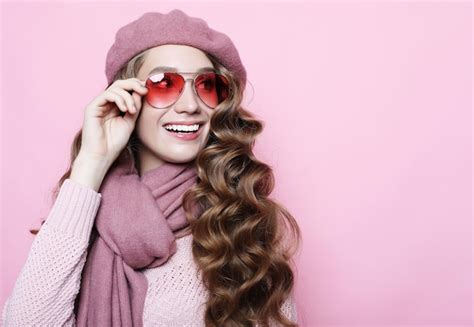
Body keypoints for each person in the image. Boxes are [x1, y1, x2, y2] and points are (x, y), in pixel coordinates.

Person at [2, 9, 302, 327]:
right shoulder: (78, 220)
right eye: (163, 84)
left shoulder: (240, 226)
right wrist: (92, 162)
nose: (190, 105)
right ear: (128, 97)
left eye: (207, 85)